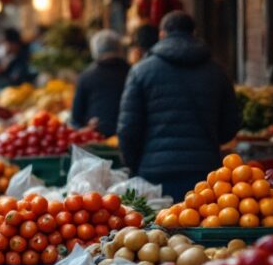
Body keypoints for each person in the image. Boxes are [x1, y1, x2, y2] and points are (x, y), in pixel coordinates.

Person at [117, 11, 240, 201]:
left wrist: (136, 165)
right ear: (194, 33)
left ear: (161, 35)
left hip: (154, 173)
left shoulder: (141, 71)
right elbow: (230, 125)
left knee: (157, 228)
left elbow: (128, 128)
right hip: (204, 174)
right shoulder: (217, 71)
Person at [71, 30, 130, 137]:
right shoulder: (133, 73)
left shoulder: (86, 77)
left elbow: (76, 119)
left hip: (97, 140)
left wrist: (84, 129)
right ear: (120, 49)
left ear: (95, 51)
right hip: (131, 137)